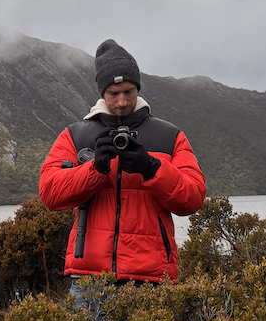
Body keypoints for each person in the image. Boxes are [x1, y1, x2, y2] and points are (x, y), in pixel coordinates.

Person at [39, 39, 206, 306]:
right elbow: (50, 193)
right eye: (113, 93)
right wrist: (95, 170)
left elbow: (193, 197)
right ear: (102, 92)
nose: (121, 102)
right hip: (90, 277)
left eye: (128, 92)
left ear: (138, 89)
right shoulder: (76, 135)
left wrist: (150, 169)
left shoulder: (169, 136)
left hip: (152, 277)